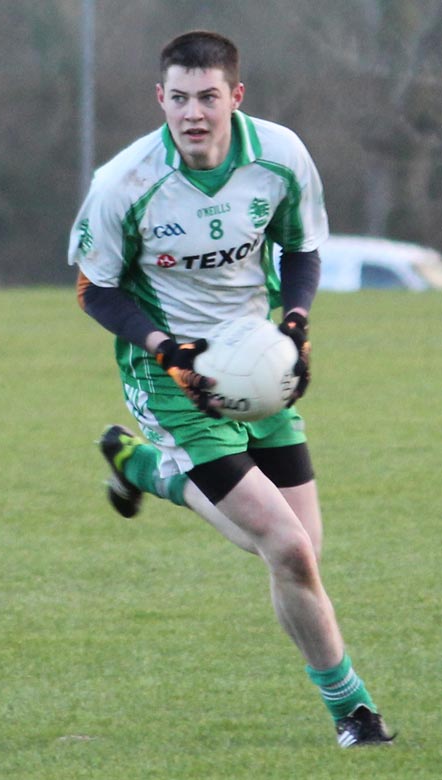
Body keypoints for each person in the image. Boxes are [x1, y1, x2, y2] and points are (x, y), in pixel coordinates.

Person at [68, 30, 394, 748]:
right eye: (179, 98)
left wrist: (297, 323)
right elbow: (95, 287)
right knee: (286, 547)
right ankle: (355, 713)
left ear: (234, 98)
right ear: (161, 99)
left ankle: (146, 468)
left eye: (208, 97)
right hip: (174, 381)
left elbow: (301, 246)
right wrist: (164, 347)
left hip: (258, 362)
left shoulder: (278, 156)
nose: (193, 113)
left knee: (302, 548)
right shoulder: (123, 183)